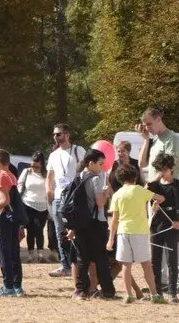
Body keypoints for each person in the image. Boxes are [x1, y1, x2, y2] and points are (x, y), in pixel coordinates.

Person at [108, 165, 165, 303]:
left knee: (126, 265)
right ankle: (154, 294)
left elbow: (114, 220)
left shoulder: (117, 194)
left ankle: (128, 295)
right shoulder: (140, 190)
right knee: (146, 264)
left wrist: (110, 239)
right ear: (135, 177)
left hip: (123, 231)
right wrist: (154, 204)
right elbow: (161, 198)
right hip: (139, 231)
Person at [70, 149, 115, 301]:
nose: (102, 167)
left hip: (81, 222)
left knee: (82, 257)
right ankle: (107, 290)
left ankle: (81, 290)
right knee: (101, 258)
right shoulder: (96, 179)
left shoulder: (78, 177)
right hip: (96, 222)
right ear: (91, 163)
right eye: (100, 164)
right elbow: (100, 202)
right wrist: (106, 192)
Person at [146, 153, 179, 302]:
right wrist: (157, 178)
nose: (163, 171)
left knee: (172, 260)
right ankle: (157, 291)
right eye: (160, 169)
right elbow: (145, 190)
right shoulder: (154, 185)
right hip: (156, 226)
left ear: (171, 168)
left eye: (165, 169)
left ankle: (173, 292)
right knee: (155, 259)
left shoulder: (177, 185)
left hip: (172, 225)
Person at [46, 123, 85, 278]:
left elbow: (86, 171)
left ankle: (79, 263)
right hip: (58, 197)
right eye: (54, 134)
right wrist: (49, 191)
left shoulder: (78, 150)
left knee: (75, 231)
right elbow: (50, 176)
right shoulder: (53, 155)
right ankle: (65, 265)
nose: (56, 137)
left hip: (74, 197)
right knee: (59, 232)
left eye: (59, 134)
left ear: (67, 135)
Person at [0, 150, 22, 297]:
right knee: (14, 251)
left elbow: (4, 200)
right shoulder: (12, 175)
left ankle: (8, 286)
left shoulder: (2, 177)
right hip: (13, 218)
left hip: (3, 217)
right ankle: (17, 285)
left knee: (3, 251)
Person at [18, 151, 49, 263]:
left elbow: (51, 188)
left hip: (42, 205)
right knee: (30, 230)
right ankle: (31, 254)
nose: (34, 168)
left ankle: (41, 253)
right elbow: (19, 185)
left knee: (39, 229)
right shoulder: (26, 172)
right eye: (33, 165)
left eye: (37, 166)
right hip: (27, 203)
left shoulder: (47, 174)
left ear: (42, 164)